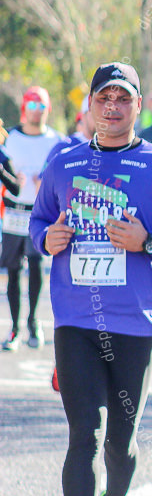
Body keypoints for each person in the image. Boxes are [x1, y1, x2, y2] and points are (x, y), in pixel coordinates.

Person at [28, 62, 152, 496]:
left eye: (123, 99)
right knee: (83, 434)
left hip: (134, 323)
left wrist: (149, 243)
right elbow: (38, 222)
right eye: (103, 98)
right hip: (75, 320)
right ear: (89, 106)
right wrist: (47, 238)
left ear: (137, 106)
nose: (112, 107)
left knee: (120, 444)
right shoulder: (63, 164)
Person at [2, 86, 63, 351]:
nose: (37, 113)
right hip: (14, 211)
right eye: (32, 107)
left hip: (41, 213)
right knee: (14, 269)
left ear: (47, 110)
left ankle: (33, 321)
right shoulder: (11, 137)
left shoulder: (56, 140)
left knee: (36, 263)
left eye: (41, 108)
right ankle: (15, 327)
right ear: (24, 109)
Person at [44, 96, 96, 168]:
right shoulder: (64, 147)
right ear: (83, 116)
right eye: (95, 113)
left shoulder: (114, 149)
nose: (100, 119)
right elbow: (43, 178)